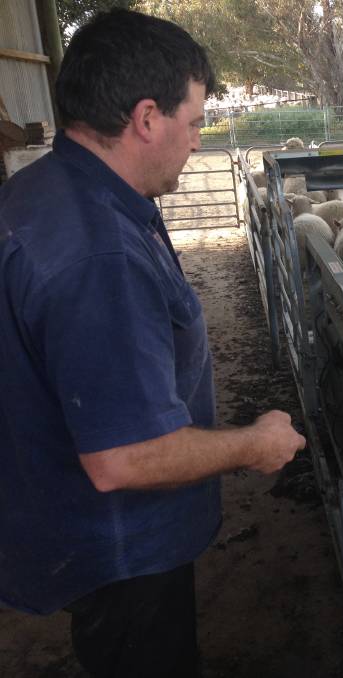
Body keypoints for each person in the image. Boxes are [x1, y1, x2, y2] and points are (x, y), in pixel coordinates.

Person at [0, 9, 305, 678]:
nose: (197, 141)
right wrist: (256, 444)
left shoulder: (46, 192)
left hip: (71, 523)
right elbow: (123, 458)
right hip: (121, 550)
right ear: (145, 119)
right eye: (194, 123)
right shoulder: (98, 253)